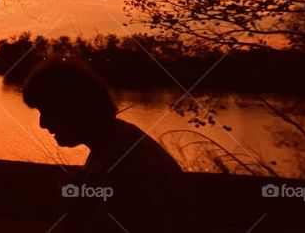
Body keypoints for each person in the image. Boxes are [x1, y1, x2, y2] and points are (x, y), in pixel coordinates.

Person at [22, 59, 202, 232]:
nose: (42, 123)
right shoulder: (117, 143)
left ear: (74, 108)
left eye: (47, 111)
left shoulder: (125, 164)